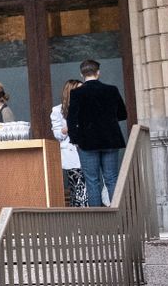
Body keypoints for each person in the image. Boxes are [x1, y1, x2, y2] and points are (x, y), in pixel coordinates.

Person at [67, 60, 129, 206]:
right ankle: (117, 217)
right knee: (112, 179)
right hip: (111, 139)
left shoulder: (76, 93)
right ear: (98, 72)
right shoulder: (112, 90)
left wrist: (75, 139)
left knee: (92, 181)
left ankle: (97, 222)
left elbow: (71, 119)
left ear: (81, 74)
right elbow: (122, 114)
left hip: (86, 141)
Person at [51, 79, 88, 207]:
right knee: (78, 189)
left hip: (89, 151)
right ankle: (80, 218)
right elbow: (57, 135)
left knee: (89, 187)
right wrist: (69, 127)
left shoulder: (87, 106)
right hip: (72, 154)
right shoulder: (57, 110)